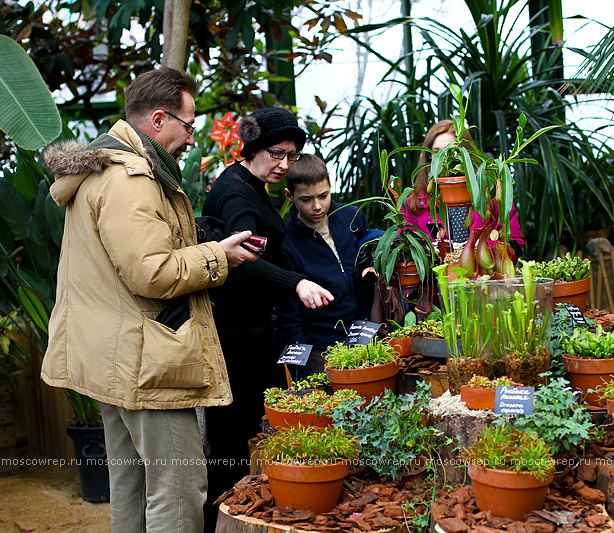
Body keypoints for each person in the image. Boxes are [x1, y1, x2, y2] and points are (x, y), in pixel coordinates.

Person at [40, 67, 259, 532]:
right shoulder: (130, 178)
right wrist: (216, 256)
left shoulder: (104, 169)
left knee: (132, 486)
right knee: (178, 488)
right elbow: (150, 272)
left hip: (114, 354)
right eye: (189, 123)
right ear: (159, 120)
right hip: (145, 360)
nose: (191, 136)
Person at [201, 108, 334, 531]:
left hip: (255, 333)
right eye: (277, 154)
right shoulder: (237, 195)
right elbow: (241, 259)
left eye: (291, 156)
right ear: (252, 149)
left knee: (249, 434)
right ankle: (217, 522)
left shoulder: (251, 184)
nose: (284, 165)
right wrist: (296, 283)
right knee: (232, 441)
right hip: (236, 338)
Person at [276, 154, 375, 378]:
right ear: (289, 196)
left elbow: (366, 251)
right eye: (306, 199)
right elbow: (288, 314)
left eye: (323, 195)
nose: (317, 206)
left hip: (365, 337)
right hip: (321, 351)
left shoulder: (352, 216)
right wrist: (301, 374)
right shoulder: (286, 240)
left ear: (331, 186)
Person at [402, 119, 526, 252]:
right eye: (436, 152)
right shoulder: (413, 200)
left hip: (483, 271)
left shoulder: (492, 194)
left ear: (465, 153)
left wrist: (484, 249)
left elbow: (515, 244)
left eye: (451, 150)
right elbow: (405, 245)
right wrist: (427, 251)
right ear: (428, 156)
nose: (443, 157)